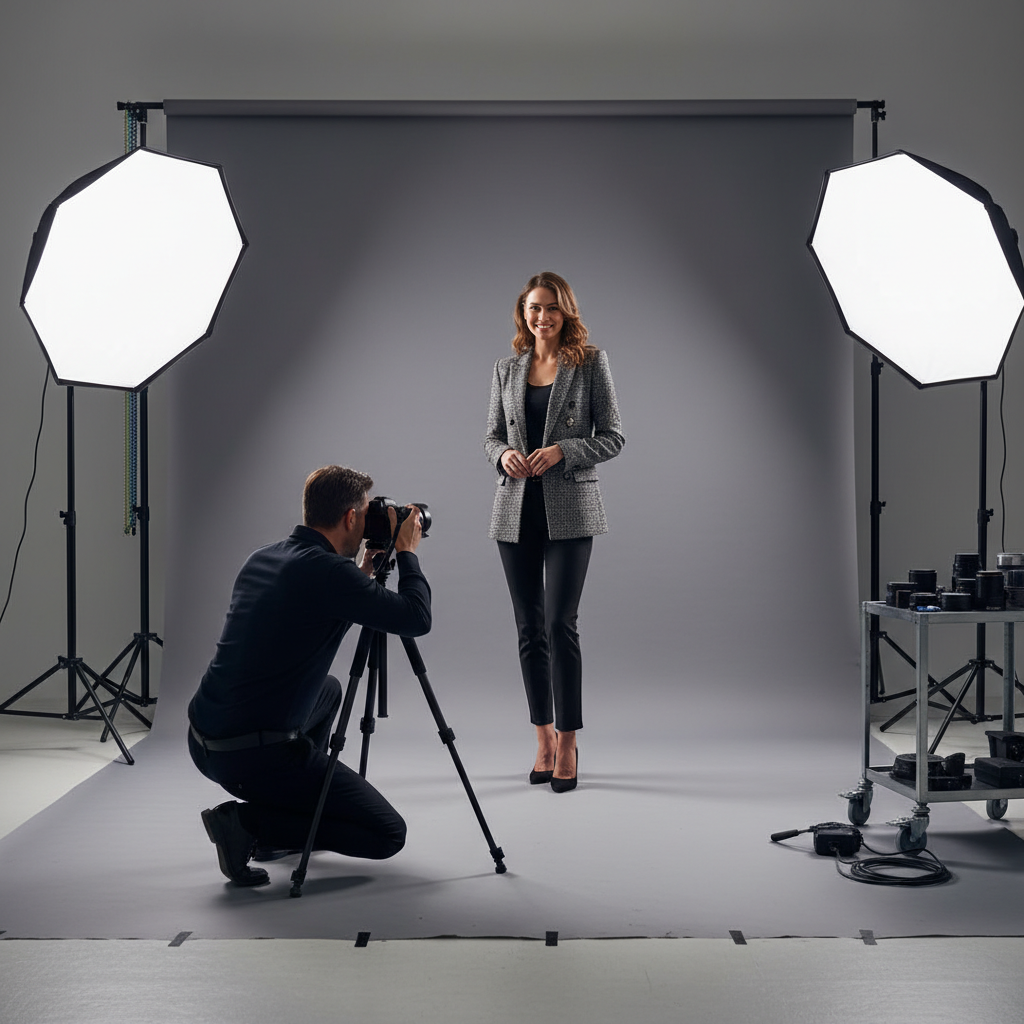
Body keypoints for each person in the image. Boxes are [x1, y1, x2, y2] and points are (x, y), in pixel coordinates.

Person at [187, 465, 430, 886]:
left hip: (204, 740)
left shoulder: (263, 556)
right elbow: (416, 618)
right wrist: (407, 550)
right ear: (351, 518)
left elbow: (309, 601)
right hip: (249, 755)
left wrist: (364, 571)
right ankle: (248, 823)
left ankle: (281, 813)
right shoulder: (331, 576)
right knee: (387, 834)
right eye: (365, 513)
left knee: (329, 691)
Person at [483, 271, 625, 793]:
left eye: (551, 309)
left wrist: (565, 450)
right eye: (533, 308)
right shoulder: (506, 368)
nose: (541, 317)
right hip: (515, 510)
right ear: (523, 313)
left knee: (561, 625)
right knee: (528, 629)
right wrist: (504, 455)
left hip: (570, 510)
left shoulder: (588, 363)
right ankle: (541, 737)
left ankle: (568, 740)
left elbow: (613, 436)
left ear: (566, 313)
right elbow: (490, 436)